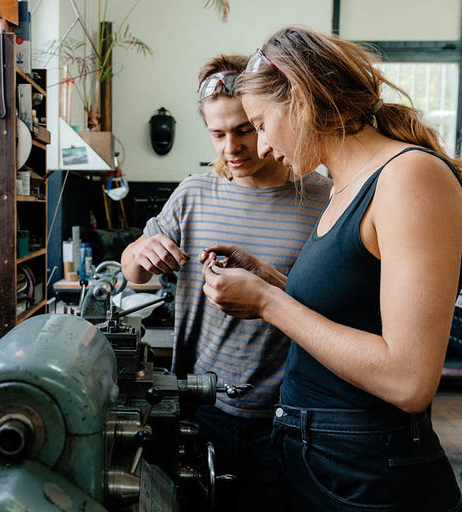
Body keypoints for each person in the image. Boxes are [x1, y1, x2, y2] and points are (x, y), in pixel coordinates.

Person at [201, 27, 462, 511]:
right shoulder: (345, 187)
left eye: (260, 123)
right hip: (324, 457)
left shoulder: (408, 177)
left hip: (367, 471)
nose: (262, 146)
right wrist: (271, 284)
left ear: (301, 99)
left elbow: (408, 379)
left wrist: (269, 304)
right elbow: (355, 318)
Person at [121, 54, 331, 510]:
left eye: (244, 130)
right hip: (200, 409)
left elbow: (330, 306)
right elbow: (132, 273)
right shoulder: (194, 194)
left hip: (289, 415)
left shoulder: (321, 198)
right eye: (218, 134)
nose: (230, 147)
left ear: (268, 120)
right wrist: (141, 252)